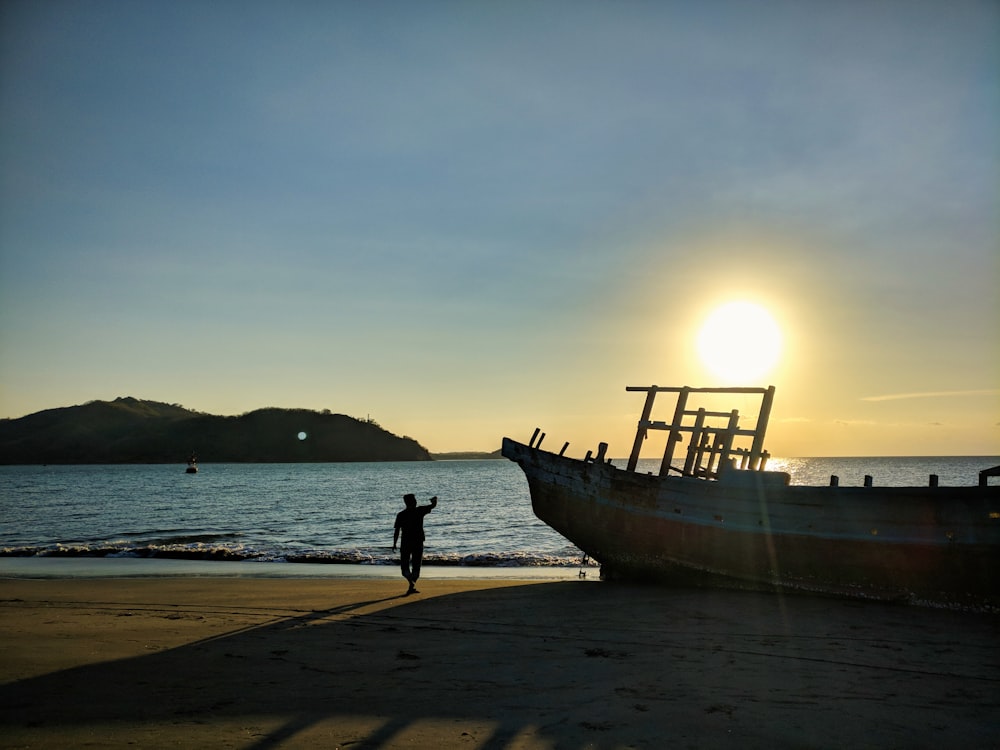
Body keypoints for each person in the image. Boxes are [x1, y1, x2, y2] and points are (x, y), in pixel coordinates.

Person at [392, 493, 437, 595]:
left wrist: (394, 543)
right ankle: (412, 584)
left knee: (404, 567)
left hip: (405, 543)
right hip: (418, 542)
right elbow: (433, 506)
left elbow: (397, 531)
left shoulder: (401, 514)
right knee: (416, 566)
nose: (416, 501)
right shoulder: (419, 510)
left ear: (406, 503)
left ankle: (410, 583)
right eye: (415, 499)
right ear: (414, 502)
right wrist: (434, 500)